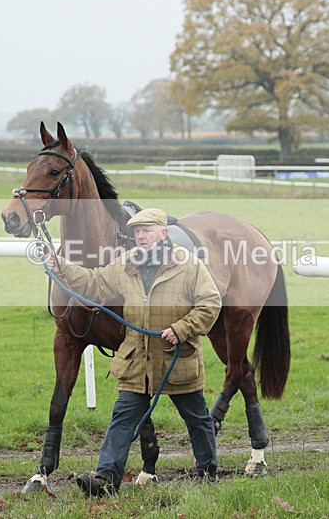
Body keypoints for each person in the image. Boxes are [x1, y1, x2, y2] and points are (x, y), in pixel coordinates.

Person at [45, 208, 222, 497]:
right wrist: (62, 266)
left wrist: (182, 328)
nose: (140, 236)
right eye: (137, 231)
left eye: (147, 230)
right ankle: (106, 479)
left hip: (176, 357)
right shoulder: (126, 264)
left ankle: (207, 470)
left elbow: (210, 304)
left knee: (197, 418)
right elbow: (95, 282)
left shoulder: (188, 265)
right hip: (136, 359)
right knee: (123, 418)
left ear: (163, 234)